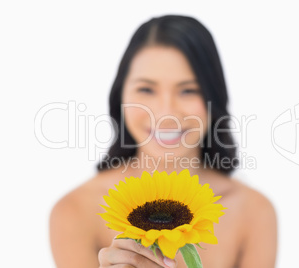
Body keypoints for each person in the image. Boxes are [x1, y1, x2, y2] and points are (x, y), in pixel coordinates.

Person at [50, 14, 277, 268]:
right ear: (120, 98)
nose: (166, 112)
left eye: (188, 90)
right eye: (146, 89)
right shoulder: (75, 211)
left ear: (215, 100)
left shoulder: (253, 211)